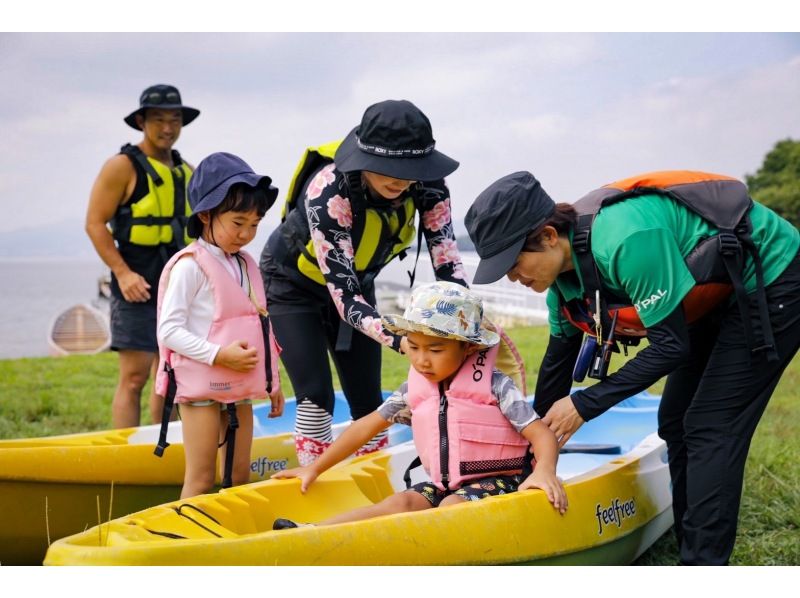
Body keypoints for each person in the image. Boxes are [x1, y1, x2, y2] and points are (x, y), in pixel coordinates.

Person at [465, 170, 800, 565]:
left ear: (549, 237)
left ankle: (703, 568)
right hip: (709, 291)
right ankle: (691, 531)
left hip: (770, 274)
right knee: (674, 420)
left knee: (710, 425)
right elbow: (556, 369)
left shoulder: (626, 240)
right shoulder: (562, 288)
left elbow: (671, 347)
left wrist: (585, 405)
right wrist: (536, 457)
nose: (513, 278)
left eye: (515, 263)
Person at [260, 100, 469, 466]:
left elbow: (448, 263)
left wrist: (467, 324)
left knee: (369, 402)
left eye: (411, 169)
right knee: (316, 397)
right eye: (389, 168)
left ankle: (372, 484)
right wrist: (405, 341)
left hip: (360, 285)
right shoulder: (329, 193)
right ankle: (314, 481)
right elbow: (346, 301)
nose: (400, 180)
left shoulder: (430, 186)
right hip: (294, 286)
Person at [271, 281, 567, 528]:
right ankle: (313, 532)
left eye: (435, 350)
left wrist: (545, 472)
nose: (422, 360)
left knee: (452, 505)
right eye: (413, 347)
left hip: (505, 480)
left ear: (468, 347)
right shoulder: (413, 390)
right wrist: (315, 468)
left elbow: (541, 434)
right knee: (402, 502)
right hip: (446, 484)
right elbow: (365, 427)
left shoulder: (496, 386)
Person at [155, 152, 285, 499]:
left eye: (255, 225)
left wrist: (273, 381)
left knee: (239, 476)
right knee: (200, 479)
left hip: (239, 387)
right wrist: (217, 355)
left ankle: (227, 546)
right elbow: (169, 330)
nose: (246, 234)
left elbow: (260, 325)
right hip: (201, 388)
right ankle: (187, 546)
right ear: (205, 215)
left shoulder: (244, 264)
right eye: (238, 222)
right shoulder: (190, 266)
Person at [85, 84, 199, 428]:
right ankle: (126, 456)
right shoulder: (121, 167)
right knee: (134, 378)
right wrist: (122, 273)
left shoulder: (186, 171)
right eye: (159, 119)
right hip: (136, 281)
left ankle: (166, 450)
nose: (168, 128)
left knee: (172, 377)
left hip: (177, 283)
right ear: (141, 122)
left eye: (174, 119)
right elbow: (94, 223)